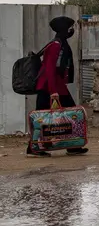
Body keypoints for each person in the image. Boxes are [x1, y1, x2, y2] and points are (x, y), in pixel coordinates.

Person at [28, 16, 89, 157]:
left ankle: (73, 145)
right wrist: (53, 91)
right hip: (49, 86)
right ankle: (34, 148)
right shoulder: (55, 45)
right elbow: (49, 68)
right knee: (40, 118)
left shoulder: (60, 43)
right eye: (69, 28)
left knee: (72, 115)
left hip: (57, 86)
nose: (71, 30)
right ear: (63, 29)